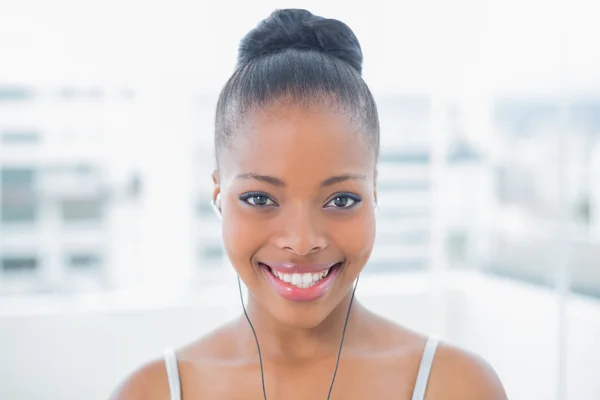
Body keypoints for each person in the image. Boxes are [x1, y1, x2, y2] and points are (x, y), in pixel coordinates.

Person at [111, 8, 507, 400]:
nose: (302, 242)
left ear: (375, 191)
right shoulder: (150, 392)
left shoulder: (457, 386)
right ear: (218, 193)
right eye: (260, 198)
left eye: (341, 199)